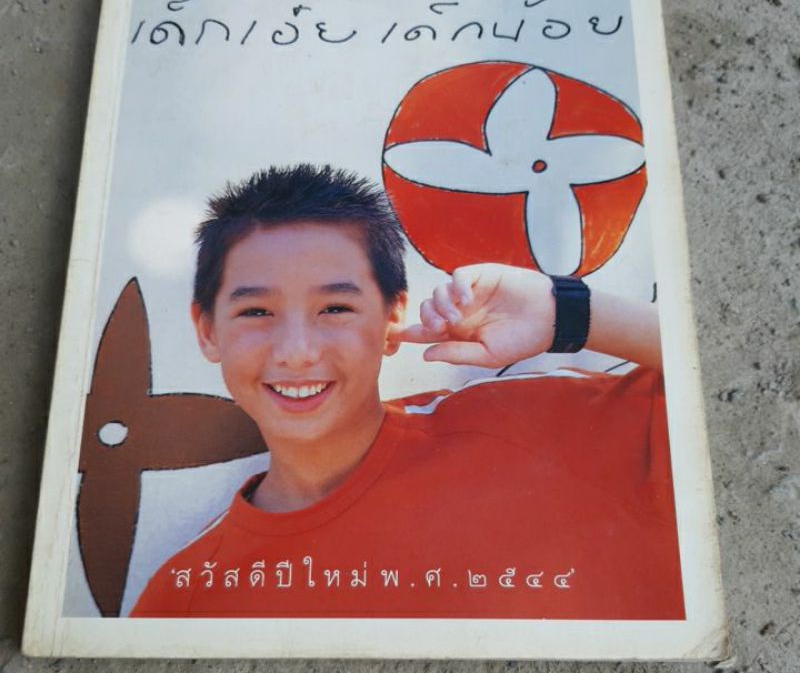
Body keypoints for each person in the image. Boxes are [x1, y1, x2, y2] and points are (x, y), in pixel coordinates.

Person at [131, 164, 683, 619]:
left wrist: (570, 313)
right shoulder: (188, 598)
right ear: (207, 331)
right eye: (256, 312)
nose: (296, 351)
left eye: (335, 308)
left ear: (393, 316)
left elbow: (721, 390)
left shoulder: (538, 430)